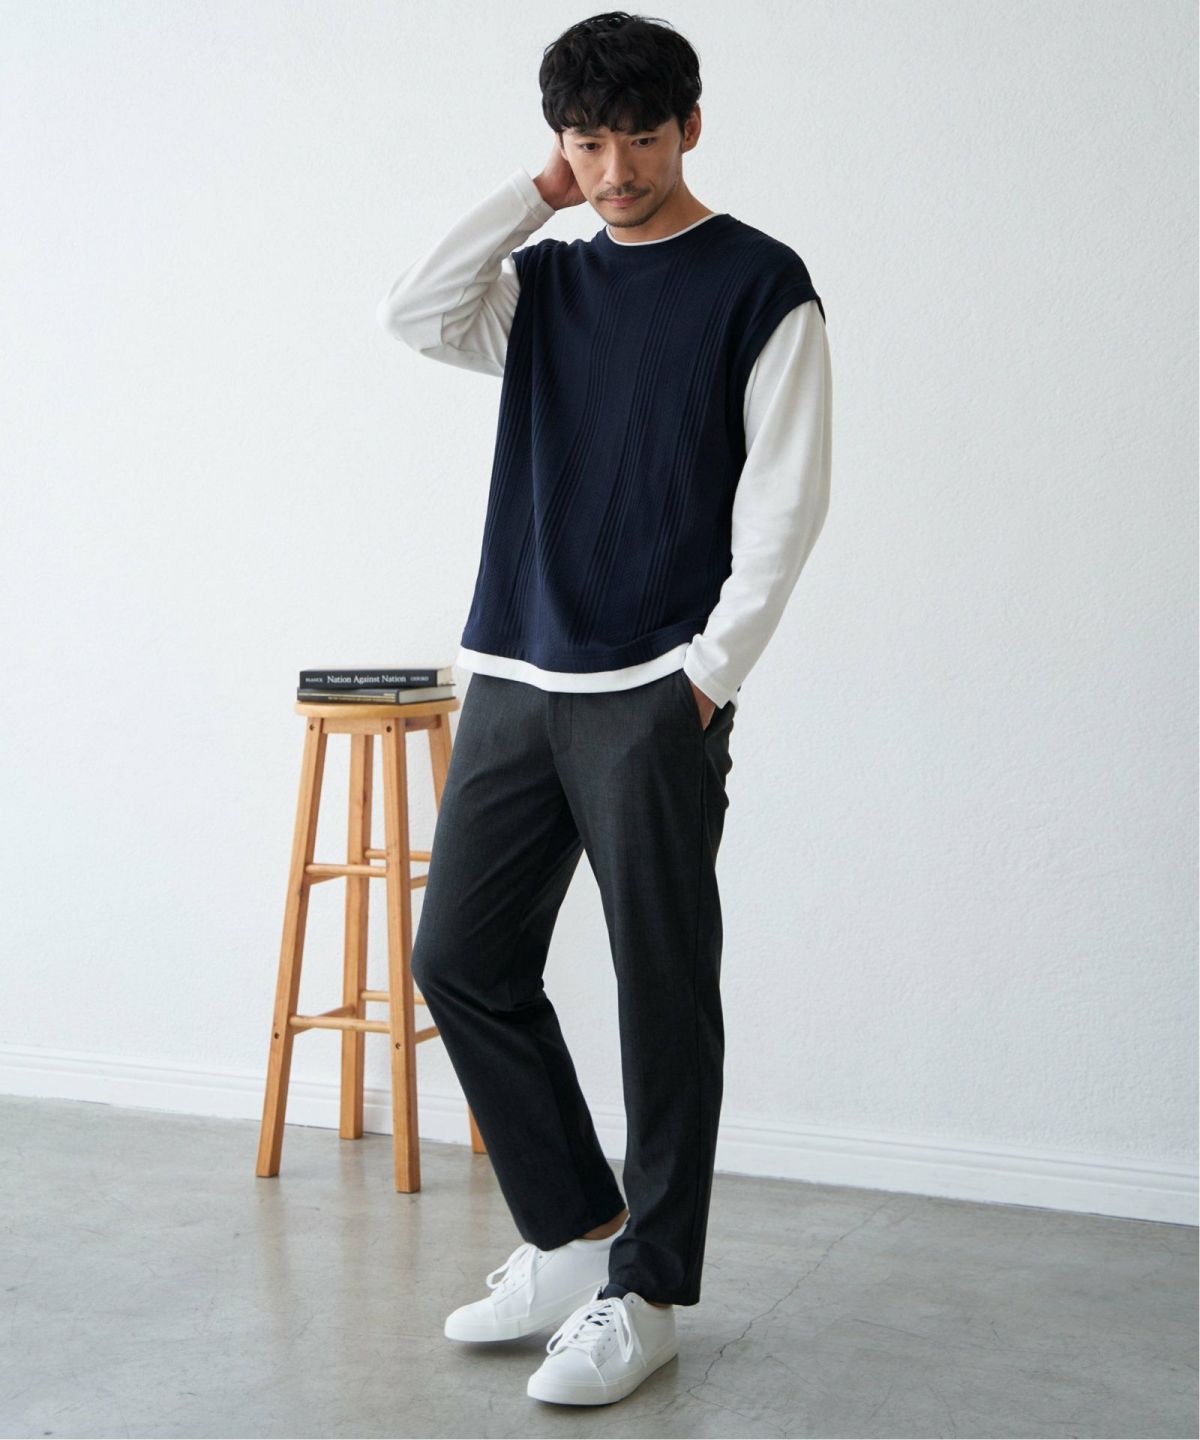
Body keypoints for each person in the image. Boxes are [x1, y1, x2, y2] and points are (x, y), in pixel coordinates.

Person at [377, 9, 831, 1408]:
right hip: (519, 670)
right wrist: (537, 195)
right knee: (462, 959)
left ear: (691, 125)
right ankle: (576, 1233)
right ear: (560, 145)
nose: (617, 170)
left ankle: (649, 1291)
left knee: (661, 990)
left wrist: (708, 677)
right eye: (588, 143)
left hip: (654, 691)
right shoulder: (544, 286)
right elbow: (415, 310)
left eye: (640, 138)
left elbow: (787, 502)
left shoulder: (761, 284)